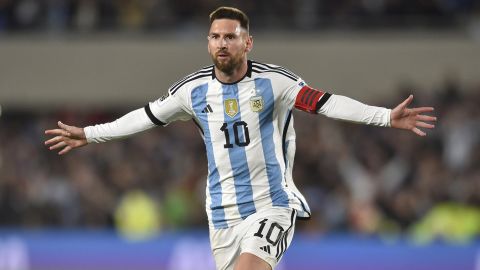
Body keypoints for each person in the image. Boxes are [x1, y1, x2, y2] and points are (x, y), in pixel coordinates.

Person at [44, 6, 437, 270]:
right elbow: (145, 117)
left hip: (272, 205)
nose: (222, 43)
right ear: (208, 43)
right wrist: (90, 135)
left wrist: (385, 117)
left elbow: (326, 103)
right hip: (222, 213)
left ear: (247, 43)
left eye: (231, 37)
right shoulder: (192, 91)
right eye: (215, 36)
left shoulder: (275, 82)